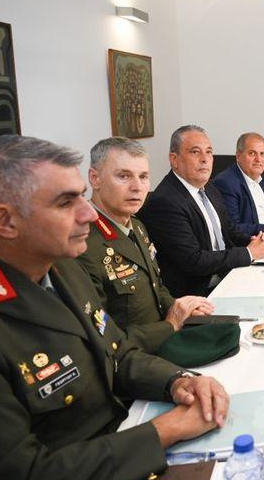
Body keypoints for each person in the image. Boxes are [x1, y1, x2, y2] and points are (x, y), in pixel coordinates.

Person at [0, 135, 229, 480]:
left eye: (81, 196)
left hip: (124, 439)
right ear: (6, 221)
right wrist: (167, 429)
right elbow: (26, 476)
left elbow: (115, 351)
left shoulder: (61, 268)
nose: (89, 213)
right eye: (65, 202)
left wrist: (178, 380)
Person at [76, 138, 214, 353]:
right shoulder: (81, 243)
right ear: (95, 179)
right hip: (133, 358)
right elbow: (103, 339)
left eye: (143, 177)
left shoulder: (137, 226)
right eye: (123, 176)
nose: (137, 187)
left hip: (163, 340)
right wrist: (170, 325)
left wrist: (179, 307)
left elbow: (155, 287)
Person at [138, 125, 264, 297]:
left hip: (228, 277)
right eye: (195, 152)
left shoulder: (209, 188)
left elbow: (229, 232)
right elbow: (194, 260)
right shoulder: (165, 201)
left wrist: (256, 241)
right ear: (174, 159)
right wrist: (248, 253)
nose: (205, 159)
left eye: (209, 152)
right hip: (199, 295)